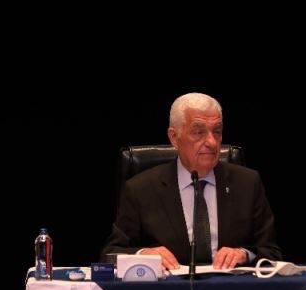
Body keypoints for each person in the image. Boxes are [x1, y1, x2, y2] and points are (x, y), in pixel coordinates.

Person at [100, 92, 282, 271]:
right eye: (198, 132)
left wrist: (244, 254)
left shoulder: (247, 183)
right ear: (174, 138)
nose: (212, 142)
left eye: (217, 131)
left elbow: (272, 252)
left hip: (230, 286)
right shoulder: (141, 189)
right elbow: (110, 254)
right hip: (169, 288)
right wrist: (144, 254)